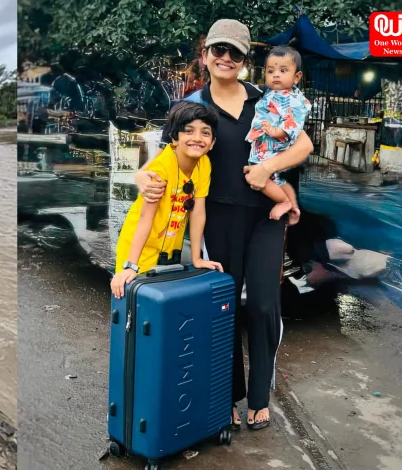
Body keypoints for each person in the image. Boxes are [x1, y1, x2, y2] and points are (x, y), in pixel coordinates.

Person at [135, 19, 314, 431]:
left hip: (265, 216)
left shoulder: (266, 99)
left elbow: (301, 145)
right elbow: (162, 159)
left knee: (266, 304)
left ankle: (260, 396)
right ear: (206, 56)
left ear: (245, 60)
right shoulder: (192, 108)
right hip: (217, 218)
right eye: (218, 50)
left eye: (234, 52)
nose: (225, 58)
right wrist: (143, 178)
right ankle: (228, 394)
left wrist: (273, 176)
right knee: (225, 304)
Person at [111, 101, 224, 300]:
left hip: (170, 249)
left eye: (205, 133)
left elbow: (197, 212)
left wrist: (197, 258)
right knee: (136, 304)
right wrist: (131, 265)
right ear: (174, 137)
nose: (197, 138)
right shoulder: (161, 167)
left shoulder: (204, 164)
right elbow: (146, 217)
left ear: (213, 142)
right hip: (140, 249)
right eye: (188, 131)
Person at [246, 46, 311, 225]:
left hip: (274, 145)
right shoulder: (273, 93)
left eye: (283, 71)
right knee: (279, 180)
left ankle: (283, 201)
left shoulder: (292, 99)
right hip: (268, 142)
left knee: (259, 178)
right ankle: (293, 206)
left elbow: (294, 123)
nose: (276, 75)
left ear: (296, 77)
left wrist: (276, 131)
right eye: (271, 71)